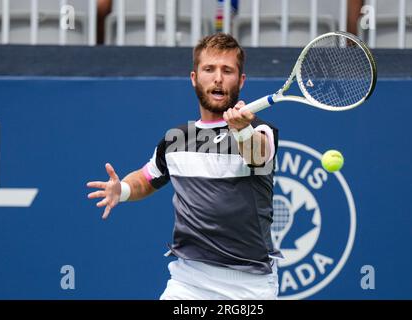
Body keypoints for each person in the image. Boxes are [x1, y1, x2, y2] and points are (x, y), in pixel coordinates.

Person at [87, 33, 281, 300]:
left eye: (227, 70)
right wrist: (122, 190)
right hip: (188, 282)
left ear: (241, 80)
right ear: (194, 78)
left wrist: (242, 131)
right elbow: (146, 178)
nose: (218, 78)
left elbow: (257, 156)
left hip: (249, 287)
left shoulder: (260, 130)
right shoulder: (176, 139)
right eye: (209, 69)